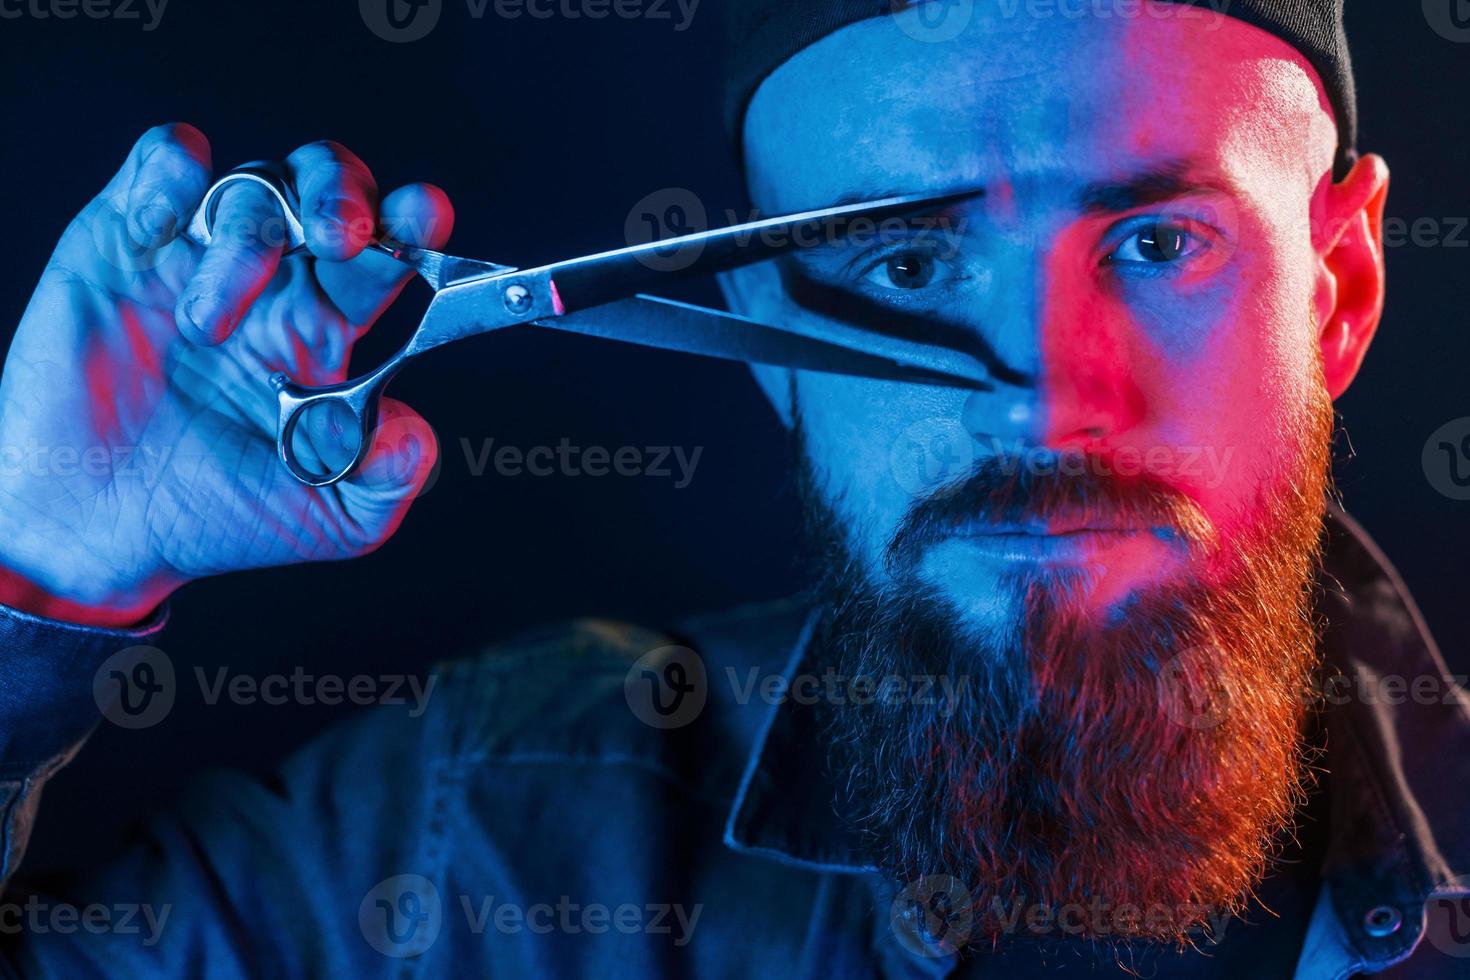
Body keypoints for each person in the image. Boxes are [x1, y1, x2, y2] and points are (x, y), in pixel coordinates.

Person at [0, 1, 1464, 976]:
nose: (1047, 394)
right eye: (903, 266)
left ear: (1338, 290)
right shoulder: (498, 820)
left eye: (1156, 247)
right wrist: (51, 557)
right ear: (767, 341)